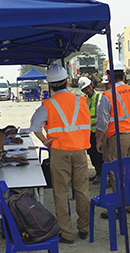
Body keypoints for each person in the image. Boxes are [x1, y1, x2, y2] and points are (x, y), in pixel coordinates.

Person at [30, 64, 91, 244]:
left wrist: (44, 140)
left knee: (61, 193)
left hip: (59, 152)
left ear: (50, 85)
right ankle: (84, 228)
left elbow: (35, 126)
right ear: (66, 81)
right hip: (80, 151)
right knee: (82, 191)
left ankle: (67, 233)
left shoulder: (48, 104)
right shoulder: (81, 100)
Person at [95, 60, 130, 207]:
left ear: (108, 76)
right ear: (124, 75)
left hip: (117, 138)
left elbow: (102, 122)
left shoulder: (107, 96)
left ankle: (119, 205)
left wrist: (99, 140)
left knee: (116, 172)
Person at [78, 76, 103, 184]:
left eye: (88, 88)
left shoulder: (100, 97)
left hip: (98, 131)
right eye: (85, 89)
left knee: (100, 154)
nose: (87, 90)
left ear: (92, 85)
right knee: (91, 153)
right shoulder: (82, 99)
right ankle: (97, 172)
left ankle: (101, 174)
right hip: (87, 133)